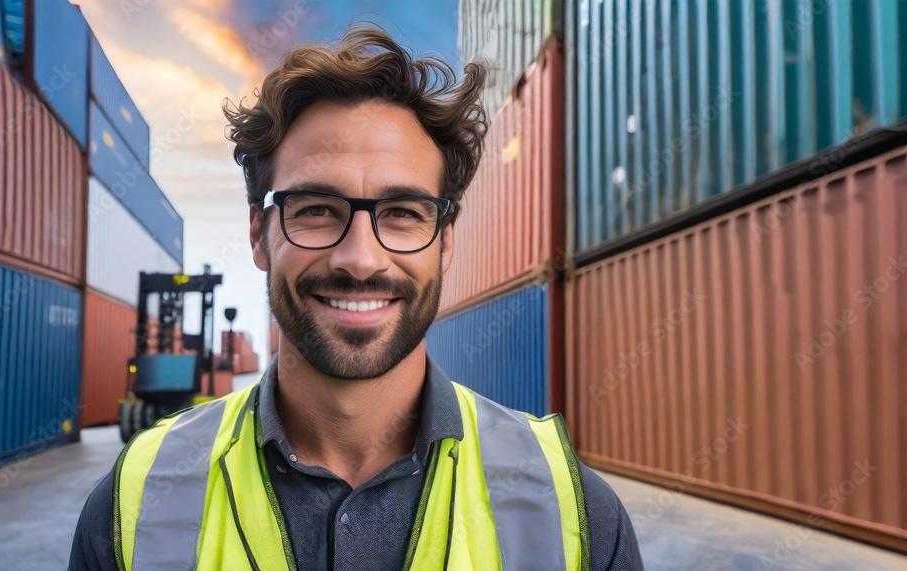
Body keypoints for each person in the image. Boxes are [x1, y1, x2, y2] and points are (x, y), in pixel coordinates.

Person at [69, 23, 642, 571]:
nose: (361, 259)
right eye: (316, 209)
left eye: (401, 214)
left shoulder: (574, 512)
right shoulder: (133, 504)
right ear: (257, 235)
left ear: (444, 243)